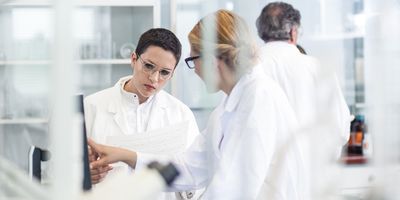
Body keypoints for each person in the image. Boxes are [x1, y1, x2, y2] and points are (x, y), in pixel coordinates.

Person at [88, 10, 305, 199]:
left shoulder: (259, 99)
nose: (196, 71)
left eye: (193, 61)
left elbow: (236, 190)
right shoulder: (230, 105)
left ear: (212, 61)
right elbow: (189, 167)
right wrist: (127, 155)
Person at [84, 28, 201, 199]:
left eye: (164, 73)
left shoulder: (181, 114)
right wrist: (85, 176)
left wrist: (187, 184)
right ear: (133, 59)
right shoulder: (92, 106)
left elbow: (196, 178)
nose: (154, 78)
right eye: (148, 66)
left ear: (172, 73)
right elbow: (60, 170)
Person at [256, 2, 351, 198]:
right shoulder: (316, 67)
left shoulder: (251, 69)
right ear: (293, 32)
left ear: (261, 31)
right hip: (315, 183)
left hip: (267, 186)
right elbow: (341, 129)